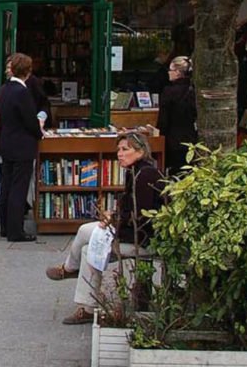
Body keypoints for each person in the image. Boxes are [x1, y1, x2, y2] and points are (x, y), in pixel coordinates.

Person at [53, 131, 166, 325]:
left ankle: (70, 270)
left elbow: (142, 216)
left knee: (87, 236)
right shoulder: (135, 171)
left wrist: (113, 224)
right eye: (118, 150)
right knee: (88, 246)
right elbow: (129, 207)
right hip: (129, 233)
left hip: (143, 239)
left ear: (139, 151)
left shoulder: (145, 175)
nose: (120, 154)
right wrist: (113, 217)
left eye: (125, 149)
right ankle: (86, 304)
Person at [0, 52, 42, 243]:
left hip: (7, 143)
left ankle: (5, 227)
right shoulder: (22, 92)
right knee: (18, 188)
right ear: (28, 72)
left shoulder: (5, 89)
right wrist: (39, 132)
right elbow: (30, 120)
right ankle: (16, 231)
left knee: (6, 187)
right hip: (22, 145)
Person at [156, 55, 197, 175]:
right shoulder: (194, 90)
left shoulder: (169, 92)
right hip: (191, 138)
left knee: (174, 172)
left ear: (178, 72)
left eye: (171, 70)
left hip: (173, 139)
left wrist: (159, 135)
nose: (168, 73)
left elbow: (164, 120)